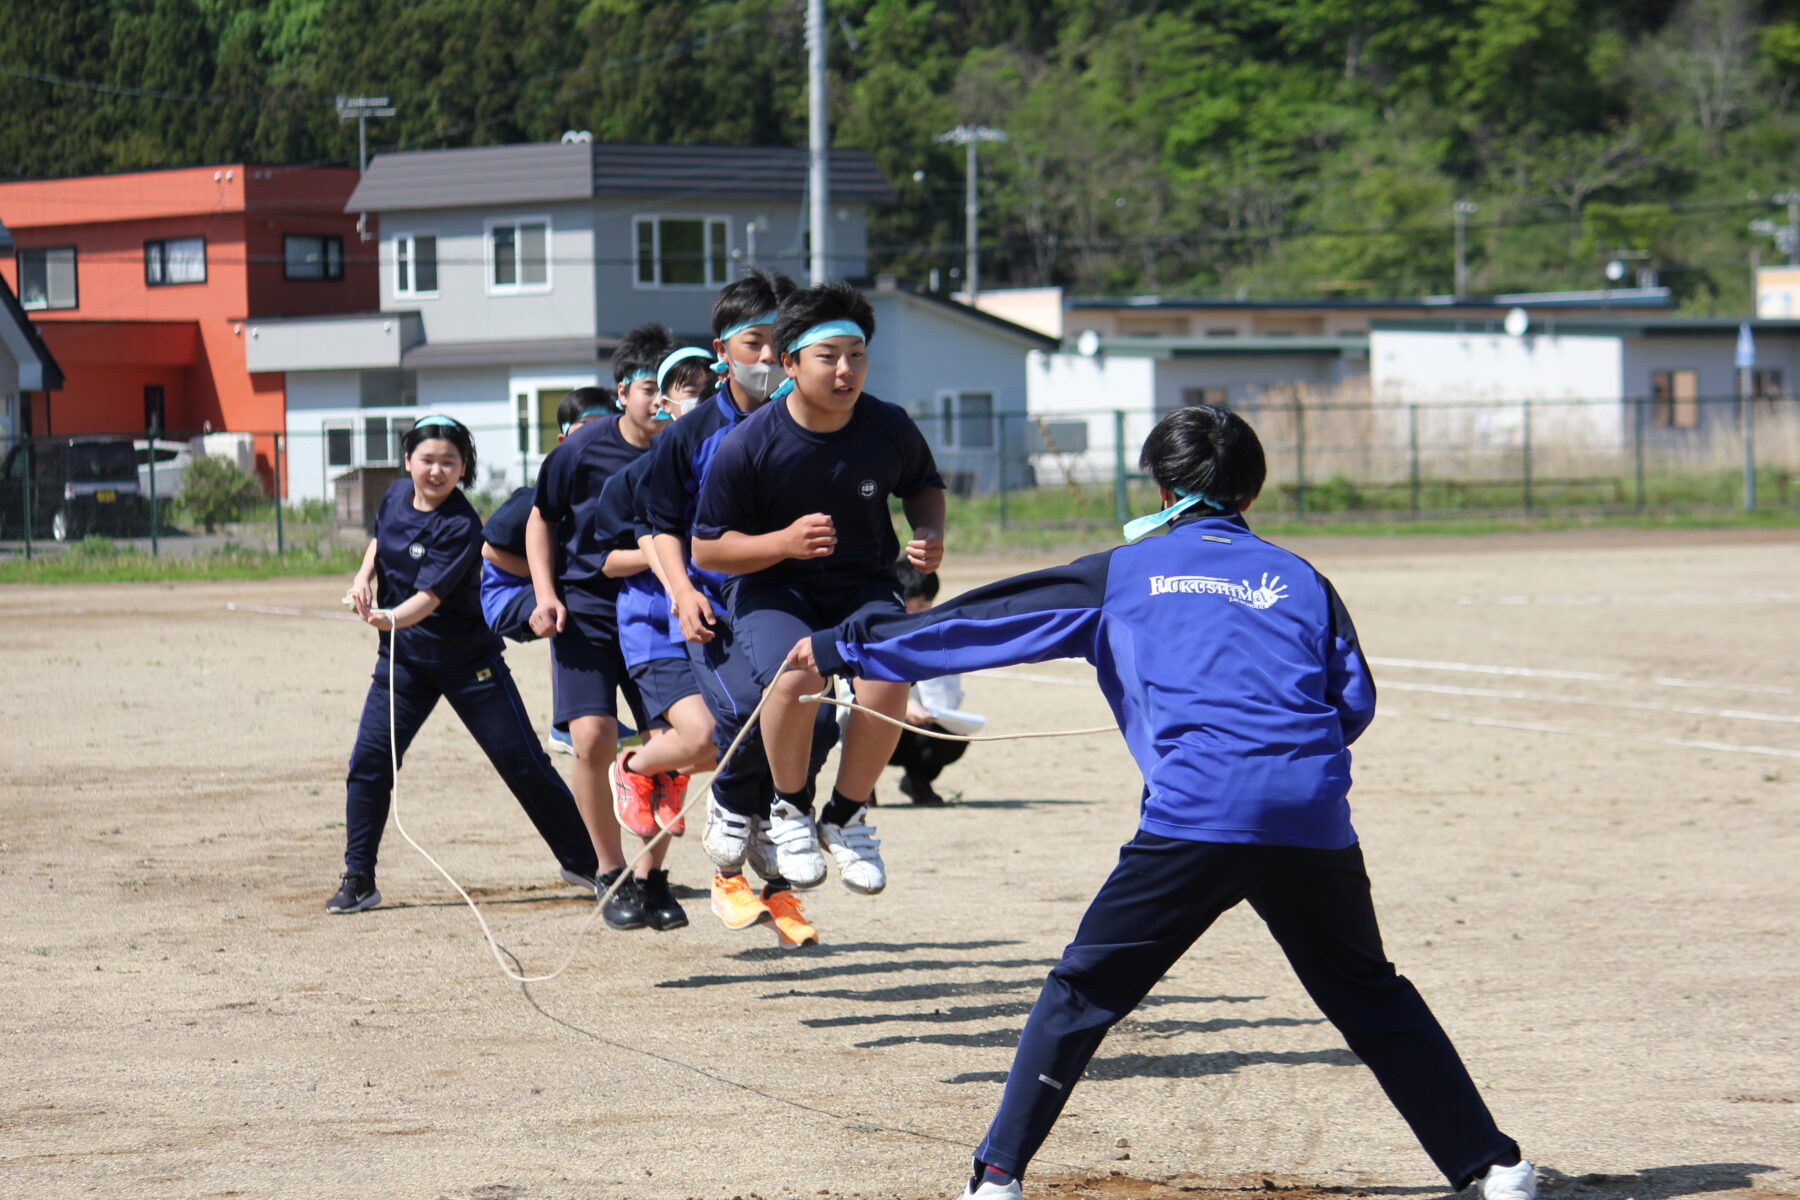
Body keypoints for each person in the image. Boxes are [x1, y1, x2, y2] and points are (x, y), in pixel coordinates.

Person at [786, 405, 1539, 1200]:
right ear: (1251, 493)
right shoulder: (1304, 580)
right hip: (1309, 816)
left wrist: (847, 644)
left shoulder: (1121, 572)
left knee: (1081, 993)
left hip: (1193, 817)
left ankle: (997, 1177)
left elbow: (980, 624)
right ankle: (1492, 1168)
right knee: (1369, 995)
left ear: (1160, 483)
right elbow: (1353, 702)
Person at [692, 280, 946, 898]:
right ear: (790, 362)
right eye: (828, 356)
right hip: (773, 590)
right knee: (798, 675)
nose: (845, 370)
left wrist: (929, 530)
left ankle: (848, 814)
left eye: (856, 355)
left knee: (890, 675)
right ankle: (790, 810)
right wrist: (781, 543)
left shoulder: (887, 425)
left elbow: (922, 483)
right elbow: (706, 547)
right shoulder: (747, 444)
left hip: (863, 586)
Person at [329, 416, 601, 915]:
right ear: (407, 461)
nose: (436, 470)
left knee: (523, 764)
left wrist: (383, 618)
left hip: (466, 663)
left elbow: (427, 600)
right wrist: (364, 576)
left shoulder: (460, 525)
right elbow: (378, 540)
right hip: (403, 666)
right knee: (369, 764)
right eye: (427, 460)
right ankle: (358, 877)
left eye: (448, 462)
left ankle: (588, 862)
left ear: (463, 469)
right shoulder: (393, 496)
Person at [637, 268, 826, 949]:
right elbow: (654, 520)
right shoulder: (691, 435)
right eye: (756, 341)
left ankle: (770, 858)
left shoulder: (813, 422)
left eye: (784, 342)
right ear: (723, 350)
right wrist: (682, 592)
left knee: (818, 720)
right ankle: (727, 851)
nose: (772, 356)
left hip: (784, 603)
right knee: (748, 716)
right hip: (713, 608)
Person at [525, 329, 674, 931]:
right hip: (585, 609)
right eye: (649, 390)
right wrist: (544, 594)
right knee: (591, 739)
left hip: (661, 611)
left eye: (673, 390)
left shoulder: (689, 448)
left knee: (671, 737)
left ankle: (652, 877)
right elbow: (541, 520)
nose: (661, 402)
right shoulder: (581, 450)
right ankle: (610, 874)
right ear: (623, 393)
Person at [479, 391, 613, 753]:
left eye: (606, 426)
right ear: (564, 439)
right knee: (571, 605)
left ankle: (591, 714)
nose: (596, 436)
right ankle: (566, 723)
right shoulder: (538, 494)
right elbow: (488, 549)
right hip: (507, 596)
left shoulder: (608, 490)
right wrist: (548, 584)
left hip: (548, 588)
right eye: (586, 428)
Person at [883, 558, 982, 806]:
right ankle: (860, 790)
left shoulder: (939, 637)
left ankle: (918, 780)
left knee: (951, 737)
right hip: (878, 722)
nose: (919, 613)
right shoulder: (875, 630)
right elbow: (850, 696)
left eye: (925, 605)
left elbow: (946, 700)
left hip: (918, 728)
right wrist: (902, 706)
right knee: (858, 723)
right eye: (912, 605)